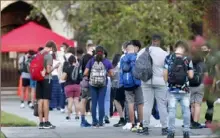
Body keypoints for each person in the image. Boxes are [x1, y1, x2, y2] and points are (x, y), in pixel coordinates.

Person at [138, 35, 168, 135]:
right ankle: (164, 128)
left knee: (147, 104)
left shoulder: (143, 51)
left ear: (152, 41)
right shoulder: (164, 53)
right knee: (162, 105)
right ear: (159, 41)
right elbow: (167, 69)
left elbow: (137, 64)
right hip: (160, 81)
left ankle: (145, 127)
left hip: (146, 81)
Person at [164, 40, 194, 138]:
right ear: (185, 48)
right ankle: (186, 132)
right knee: (186, 110)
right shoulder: (187, 59)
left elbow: (164, 73)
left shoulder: (168, 58)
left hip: (172, 89)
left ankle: (171, 132)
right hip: (184, 89)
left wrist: (168, 82)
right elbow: (191, 75)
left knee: (172, 110)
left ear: (175, 47)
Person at [84, 46, 113, 127]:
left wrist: (91, 75)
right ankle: (100, 121)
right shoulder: (107, 62)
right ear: (103, 52)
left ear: (95, 52)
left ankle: (94, 121)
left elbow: (85, 73)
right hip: (103, 85)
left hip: (92, 84)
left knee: (94, 103)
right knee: (101, 103)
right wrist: (106, 73)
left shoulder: (91, 61)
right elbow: (112, 74)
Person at [119, 43, 143, 132]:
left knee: (130, 104)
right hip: (137, 83)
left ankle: (132, 124)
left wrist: (121, 83)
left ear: (126, 50)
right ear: (134, 49)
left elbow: (121, 72)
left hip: (127, 84)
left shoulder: (123, 58)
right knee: (140, 104)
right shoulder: (137, 57)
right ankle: (140, 124)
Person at [36, 41, 58, 129]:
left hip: (38, 79)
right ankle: (46, 122)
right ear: (51, 48)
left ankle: (41, 123)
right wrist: (55, 67)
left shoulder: (38, 54)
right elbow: (48, 71)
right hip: (46, 80)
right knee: (46, 101)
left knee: (40, 101)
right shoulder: (48, 55)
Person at [189, 47, 207, 129]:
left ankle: (192, 122)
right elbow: (206, 76)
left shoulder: (189, 63)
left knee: (192, 105)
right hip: (200, 85)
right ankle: (196, 123)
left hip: (191, 86)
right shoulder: (203, 64)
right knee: (198, 105)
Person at [79, 42, 95, 127]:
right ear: (91, 48)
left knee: (83, 100)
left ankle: (82, 119)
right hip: (91, 80)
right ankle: (94, 119)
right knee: (92, 99)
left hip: (84, 80)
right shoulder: (92, 58)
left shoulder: (83, 57)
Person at [62, 55, 81, 120]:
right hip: (77, 86)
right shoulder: (78, 68)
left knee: (70, 101)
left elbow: (63, 78)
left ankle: (69, 116)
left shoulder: (67, 68)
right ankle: (77, 115)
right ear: (75, 61)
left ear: (69, 61)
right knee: (76, 101)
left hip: (68, 86)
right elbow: (81, 77)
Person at [111, 53, 127, 127]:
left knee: (116, 100)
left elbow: (113, 75)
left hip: (119, 85)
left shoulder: (115, 66)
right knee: (127, 101)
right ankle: (129, 118)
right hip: (127, 83)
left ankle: (122, 118)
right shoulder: (125, 61)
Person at [57, 44, 73, 113]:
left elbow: (59, 68)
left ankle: (62, 107)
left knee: (63, 92)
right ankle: (70, 108)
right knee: (71, 93)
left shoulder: (61, 56)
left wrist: (60, 77)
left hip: (63, 77)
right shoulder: (72, 56)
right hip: (70, 78)